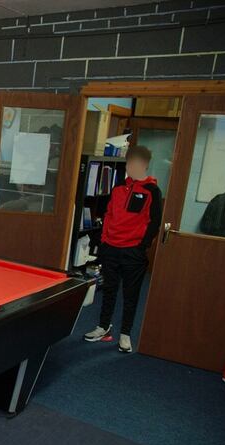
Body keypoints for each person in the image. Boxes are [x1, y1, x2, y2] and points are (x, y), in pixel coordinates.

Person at [84, 145, 162, 353]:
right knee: (109, 290)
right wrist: (105, 239)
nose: (131, 167)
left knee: (131, 294)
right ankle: (103, 326)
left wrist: (141, 245)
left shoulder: (152, 190)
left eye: (136, 164)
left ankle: (125, 334)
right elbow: (109, 214)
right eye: (129, 163)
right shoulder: (118, 187)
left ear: (145, 165)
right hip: (111, 247)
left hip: (133, 251)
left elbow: (155, 222)